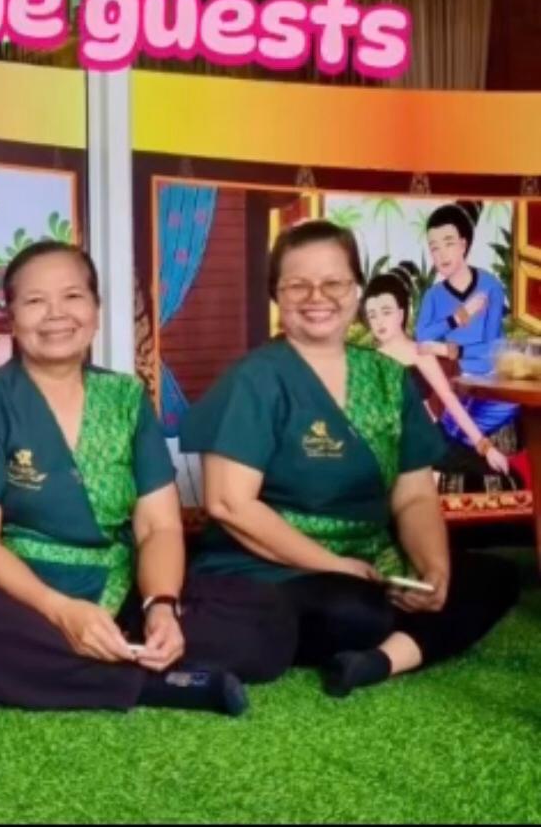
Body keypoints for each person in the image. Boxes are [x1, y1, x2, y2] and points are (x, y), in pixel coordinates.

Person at [0, 242, 295, 717]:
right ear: (11, 316)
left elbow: (159, 527)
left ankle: (105, 656)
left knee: (267, 617)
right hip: (23, 595)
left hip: (121, 584)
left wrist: (160, 607)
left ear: (96, 309)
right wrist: (62, 612)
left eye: (72, 297)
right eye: (35, 301)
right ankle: (154, 684)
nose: (56, 314)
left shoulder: (126, 397)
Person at [180, 219, 519, 698]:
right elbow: (229, 505)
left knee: (494, 576)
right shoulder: (255, 377)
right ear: (276, 295)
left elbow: (415, 496)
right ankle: (390, 637)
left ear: (356, 289)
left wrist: (432, 569)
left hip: (371, 559)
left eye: (334, 282)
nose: (317, 296)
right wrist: (333, 564)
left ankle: (381, 661)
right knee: (357, 609)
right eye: (298, 284)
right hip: (271, 563)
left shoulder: (386, 377)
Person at [363, 263, 511, 477]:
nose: (379, 321)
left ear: (401, 313)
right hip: (390, 447)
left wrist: (485, 447)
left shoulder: (421, 352)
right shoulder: (368, 362)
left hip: (431, 441)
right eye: (372, 314)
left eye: (386, 312)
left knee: (495, 474)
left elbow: (449, 400)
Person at [415, 201, 514, 445]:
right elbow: (421, 339)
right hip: (455, 385)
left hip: (489, 385)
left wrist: (450, 349)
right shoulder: (433, 296)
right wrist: (458, 317)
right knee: (451, 414)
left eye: (448, 244)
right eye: (434, 248)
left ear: (463, 244)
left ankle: (458, 439)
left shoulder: (490, 286)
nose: (441, 254)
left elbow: (492, 350)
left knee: (507, 405)